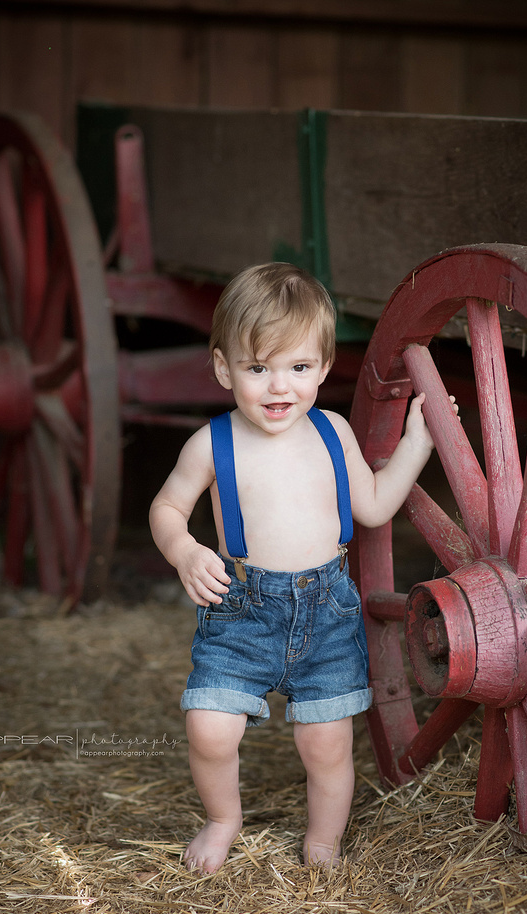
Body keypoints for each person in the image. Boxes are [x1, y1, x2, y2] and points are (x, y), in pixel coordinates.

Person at [149, 262, 449, 875]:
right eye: (257, 368)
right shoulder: (213, 444)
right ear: (222, 367)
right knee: (208, 726)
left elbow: (371, 506)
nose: (278, 387)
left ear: (325, 365)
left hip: (328, 609)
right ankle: (223, 819)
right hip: (243, 610)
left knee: (327, 743)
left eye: (298, 367)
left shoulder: (333, 432)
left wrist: (417, 444)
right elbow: (167, 507)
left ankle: (322, 841)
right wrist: (183, 550)